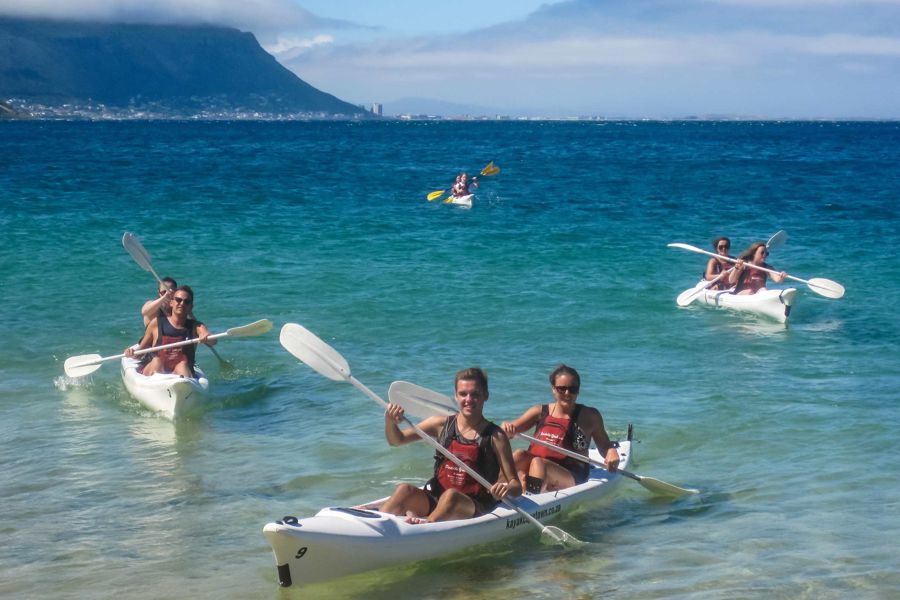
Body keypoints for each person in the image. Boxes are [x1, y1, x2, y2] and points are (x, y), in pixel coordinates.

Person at [380, 367, 522, 523]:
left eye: (475, 394)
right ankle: (378, 525)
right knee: (404, 490)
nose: (468, 399)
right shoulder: (441, 424)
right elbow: (397, 440)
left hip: (475, 505)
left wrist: (505, 488)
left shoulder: (496, 436)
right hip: (437, 497)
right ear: (456, 396)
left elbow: (516, 485)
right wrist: (390, 422)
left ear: (485, 396)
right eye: (463, 394)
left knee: (451, 496)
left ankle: (425, 527)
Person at [501, 365, 619, 494]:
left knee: (538, 463)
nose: (567, 393)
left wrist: (611, 452)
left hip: (572, 474)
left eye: (572, 389)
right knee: (520, 455)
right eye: (562, 389)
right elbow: (507, 432)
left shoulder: (590, 416)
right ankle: (484, 489)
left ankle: (531, 499)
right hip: (537, 468)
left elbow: (605, 446)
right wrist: (506, 428)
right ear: (553, 389)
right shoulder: (539, 412)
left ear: (578, 390)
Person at [125, 285, 214, 378]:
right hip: (156, 371)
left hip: (179, 375)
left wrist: (206, 336)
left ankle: (183, 388)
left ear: (191, 306)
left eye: (186, 301)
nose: (182, 303)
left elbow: (213, 341)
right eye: (178, 300)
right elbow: (141, 351)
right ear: (171, 302)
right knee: (157, 361)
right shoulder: (156, 323)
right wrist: (131, 352)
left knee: (182, 365)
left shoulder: (196, 326)